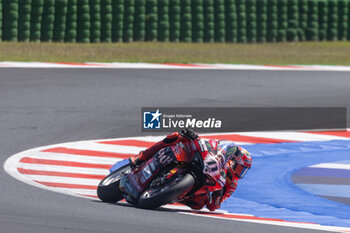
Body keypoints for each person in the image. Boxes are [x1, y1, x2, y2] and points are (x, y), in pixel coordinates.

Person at [129, 128, 252, 211]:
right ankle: (142, 157)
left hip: (198, 187)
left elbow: (213, 207)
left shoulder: (231, 185)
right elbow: (209, 144)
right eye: (239, 167)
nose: (239, 172)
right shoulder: (220, 151)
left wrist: (217, 196)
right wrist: (192, 136)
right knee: (177, 136)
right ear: (231, 160)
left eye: (243, 171)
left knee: (199, 204)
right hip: (200, 164)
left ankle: (172, 193)